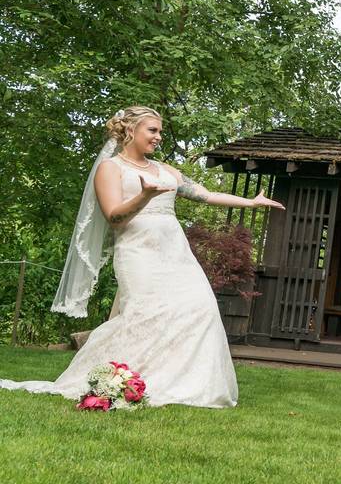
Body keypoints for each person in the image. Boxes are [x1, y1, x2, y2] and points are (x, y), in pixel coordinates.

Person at [0, 106, 284, 408]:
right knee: (144, 316)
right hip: (138, 253)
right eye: (153, 130)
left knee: (201, 307)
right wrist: (144, 196)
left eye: (160, 131)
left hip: (175, 252)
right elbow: (114, 217)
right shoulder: (111, 168)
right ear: (131, 130)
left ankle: (187, 384)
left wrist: (250, 203)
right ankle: (118, 378)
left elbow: (204, 194)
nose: (159, 137)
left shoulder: (164, 170)